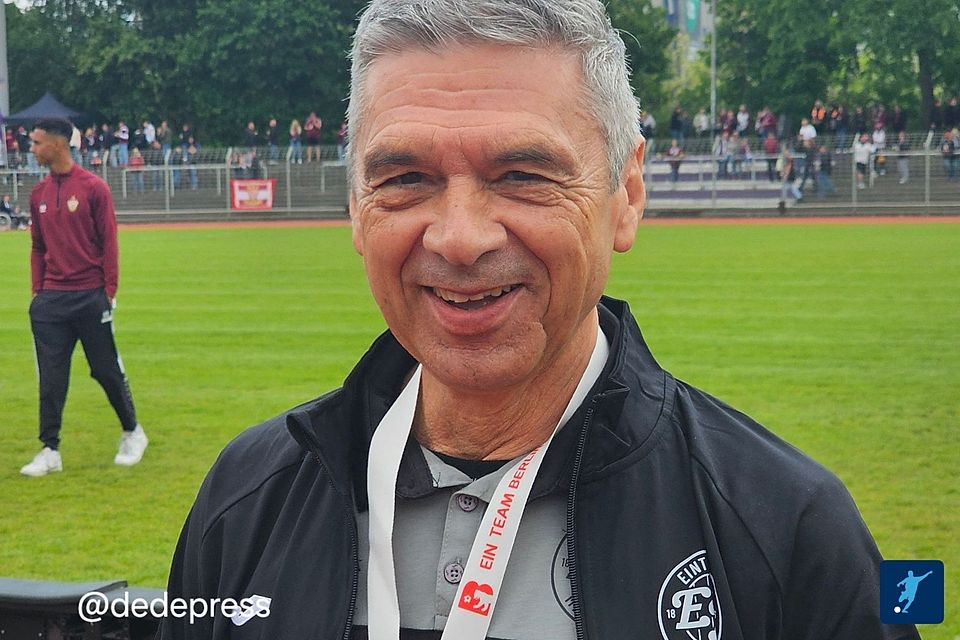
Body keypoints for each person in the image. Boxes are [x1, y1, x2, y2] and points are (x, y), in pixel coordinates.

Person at [159, 2, 920, 639]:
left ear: (627, 195)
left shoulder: (792, 527)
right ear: (357, 209)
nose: (459, 238)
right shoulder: (246, 499)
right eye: (407, 178)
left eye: (522, 175)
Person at [20, 118, 147, 477]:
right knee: (51, 378)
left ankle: (133, 432)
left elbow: (109, 242)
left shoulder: (94, 189)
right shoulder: (38, 194)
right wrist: (38, 292)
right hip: (50, 301)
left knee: (105, 370)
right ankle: (50, 449)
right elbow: (37, 247)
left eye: (37, 142)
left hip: (90, 296)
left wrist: (109, 292)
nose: (32, 148)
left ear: (58, 145)